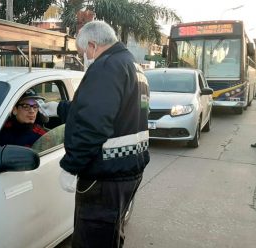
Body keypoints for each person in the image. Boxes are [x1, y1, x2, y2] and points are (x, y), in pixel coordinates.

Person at [41, 21, 150, 248]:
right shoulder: (132, 65)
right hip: (128, 170)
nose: (85, 58)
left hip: (105, 177)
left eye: (84, 53)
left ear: (92, 45)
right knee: (109, 237)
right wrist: (58, 109)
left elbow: (93, 124)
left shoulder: (106, 66)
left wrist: (72, 166)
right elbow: (101, 110)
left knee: (91, 241)